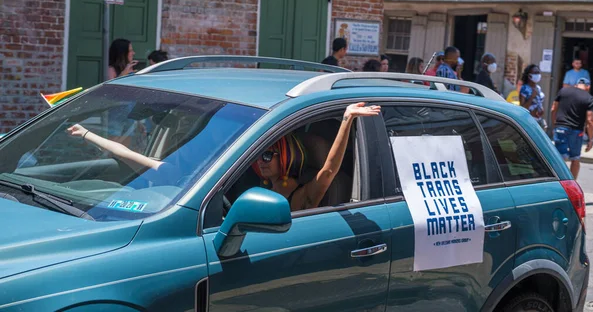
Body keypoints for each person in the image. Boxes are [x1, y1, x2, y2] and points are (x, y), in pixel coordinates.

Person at [67, 102, 381, 212]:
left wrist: (346, 119)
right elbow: (140, 160)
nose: (261, 160)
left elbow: (327, 171)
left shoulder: (301, 197)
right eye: (258, 154)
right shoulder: (239, 178)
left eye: (269, 154)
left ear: (286, 157)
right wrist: (87, 135)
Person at [551, 77, 593, 180]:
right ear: (588, 87)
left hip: (561, 128)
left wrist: (555, 125)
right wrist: (590, 139)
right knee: (575, 159)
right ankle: (572, 184)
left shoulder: (563, 91)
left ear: (576, 85)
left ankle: (557, 181)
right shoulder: (589, 98)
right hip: (576, 131)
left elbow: (553, 109)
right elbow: (590, 120)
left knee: (560, 157)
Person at [519, 64, 546, 129]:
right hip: (529, 120)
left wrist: (541, 110)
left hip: (538, 120)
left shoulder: (538, 88)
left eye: (538, 72)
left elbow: (539, 104)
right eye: (535, 73)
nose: (538, 75)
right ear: (529, 76)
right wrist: (531, 97)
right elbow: (522, 107)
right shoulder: (525, 88)